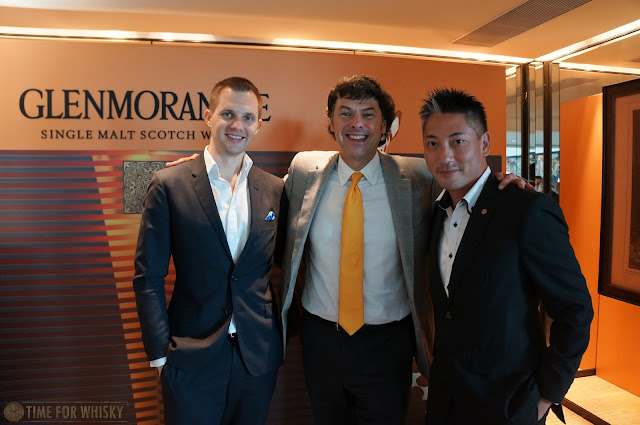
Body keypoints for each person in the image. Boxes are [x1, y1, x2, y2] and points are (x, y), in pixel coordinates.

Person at [420, 88, 593, 425]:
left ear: (484, 143)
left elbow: (575, 311)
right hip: (445, 400)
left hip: (509, 404)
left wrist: (545, 397)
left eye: (458, 141)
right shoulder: (437, 212)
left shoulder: (527, 210)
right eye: (433, 144)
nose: (445, 156)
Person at [133, 77, 287, 425]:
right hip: (190, 356)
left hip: (256, 358)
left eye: (248, 117)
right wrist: (159, 357)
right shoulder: (169, 184)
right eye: (228, 114)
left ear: (259, 124)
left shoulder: (275, 189)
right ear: (208, 116)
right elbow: (148, 277)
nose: (237, 125)